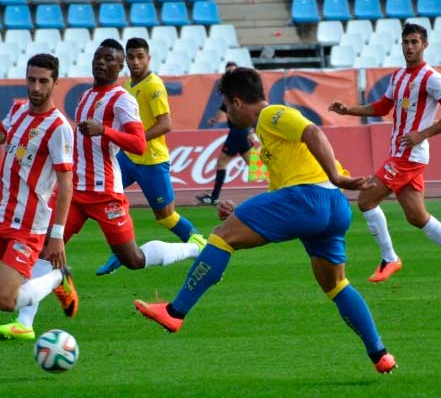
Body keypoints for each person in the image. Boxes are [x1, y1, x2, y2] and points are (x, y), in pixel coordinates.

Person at [134, 67, 397, 374]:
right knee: (336, 285)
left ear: (235, 103)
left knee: (220, 238)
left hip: (309, 197)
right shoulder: (267, 135)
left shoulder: (272, 114)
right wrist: (240, 213)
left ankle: (175, 311)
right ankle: (380, 354)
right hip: (333, 207)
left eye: (225, 106)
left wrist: (337, 176)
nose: (227, 114)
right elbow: (278, 200)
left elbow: (313, 131)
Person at [0, 40, 205, 340]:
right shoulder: (86, 96)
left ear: (120, 67)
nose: (101, 63)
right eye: (98, 57)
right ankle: (25, 323)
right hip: (76, 192)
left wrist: (105, 130)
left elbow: (139, 143)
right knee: (44, 247)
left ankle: (195, 248)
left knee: (132, 260)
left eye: (110, 59)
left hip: (106, 195)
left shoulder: (122, 99)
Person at [0, 53, 77, 369]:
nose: (36, 87)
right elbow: (0, 134)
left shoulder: (60, 128)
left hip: (28, 225)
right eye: (31, 79)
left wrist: (57, 236)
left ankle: (58, 278)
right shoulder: (19, 109)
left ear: (55, 83)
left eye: (43, 81)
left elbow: (66, 183)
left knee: (4, 301)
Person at [328, 22, 441, 283]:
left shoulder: (432, 78)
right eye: (406, 42)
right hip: (401, 152)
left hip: (409, 155)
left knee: (366, 200)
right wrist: (349, 110)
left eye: (415, 42)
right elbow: (382, 107)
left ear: (424, 45)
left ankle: (390, 258)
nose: (409, 47)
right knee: (416, 216)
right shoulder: (399, 76)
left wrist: (421, 134)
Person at [95, 37, 205, 276]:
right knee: (106, 197)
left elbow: (165, 124)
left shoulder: (154, 86)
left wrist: (137, 140)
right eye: (131, 57)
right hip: (129, 158)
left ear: (149, 58)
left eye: (140, 57)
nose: (135, 62)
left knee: (166, 217)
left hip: (152, 161)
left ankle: (201, 244)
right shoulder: (127, 85)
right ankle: (120, 253)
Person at [196, 61, 256, 205]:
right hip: (239, 132)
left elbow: (252, 112)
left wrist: (251, 130)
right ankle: (280, 187)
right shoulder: (232, 92)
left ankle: (214, 197)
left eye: (233, 71)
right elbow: (223, 109)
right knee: (256, 165)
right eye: (228, 71)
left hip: (238, 132)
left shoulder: (242, 92)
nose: (231, 74)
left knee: (222, 162)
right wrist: (215, 120)